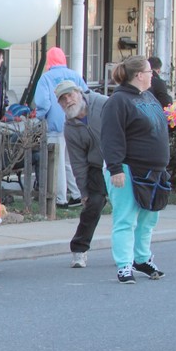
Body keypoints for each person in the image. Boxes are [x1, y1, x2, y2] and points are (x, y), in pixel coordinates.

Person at [100, 55, 170, 284]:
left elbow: (154, 128)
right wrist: (115, 168)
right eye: (150, 72)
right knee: (126, 219)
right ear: (139, 75)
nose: (153, 75)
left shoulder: (148, 97)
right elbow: (111, 137)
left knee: (149, 219)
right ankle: (124, 265)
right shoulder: (118, 101)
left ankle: (141, 258)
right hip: (128, 169)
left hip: (153, 169)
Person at [55, 80, 109, 269]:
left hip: (121, 160)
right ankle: (79, 250)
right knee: (93, 204)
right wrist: (83, 192)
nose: (68, 101)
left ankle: (134, 251)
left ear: (79, 92)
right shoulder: (70, 128)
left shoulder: (103, 103)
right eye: (63, 99)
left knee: (130, 208)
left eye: (70, 95)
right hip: (97, 166)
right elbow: (78, 162)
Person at [34, 47, 87, 208]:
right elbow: (86, 95)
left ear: (49, 61)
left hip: (56, 126)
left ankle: (60, 198)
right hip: (76, 123)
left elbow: (43, 103)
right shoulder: (75, 75)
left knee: (56, 163)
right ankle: (77, 194)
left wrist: (40, 117)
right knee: (71, 161)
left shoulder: (46, 78)